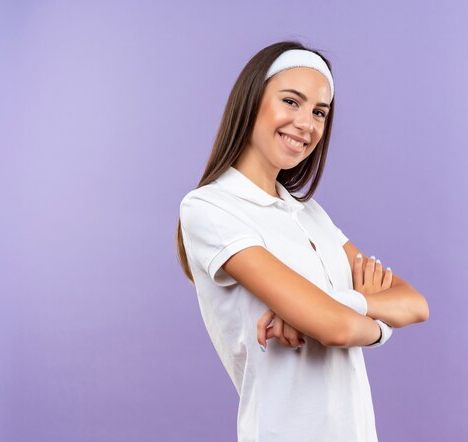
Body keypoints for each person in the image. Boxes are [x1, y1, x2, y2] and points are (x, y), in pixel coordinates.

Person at [176, 41, 429, 442]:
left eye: (319, 112)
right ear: (252, 99)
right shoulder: (209, 208)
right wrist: (376, 323)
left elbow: (415, 304)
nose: (306, 123)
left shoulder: (310, 213)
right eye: (291, 101)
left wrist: (328, 310)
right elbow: (337, 330)